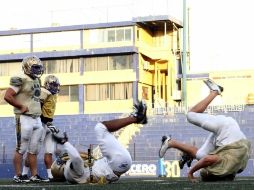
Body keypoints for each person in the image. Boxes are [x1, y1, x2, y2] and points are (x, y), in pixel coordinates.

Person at [159, 79, 251, 182]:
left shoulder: (238, 168)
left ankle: (171, 143)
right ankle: (215, 92)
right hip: (227, 128)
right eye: (205, 173)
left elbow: (206, 159)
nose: (203, 171)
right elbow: (208, 160)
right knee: (190, 115)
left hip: (228, 139)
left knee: (200, 155)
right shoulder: (223, 168)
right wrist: (191, 173)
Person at [50, 100, 147, 184]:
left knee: (103, 130)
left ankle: (135, 118)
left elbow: (88, 162)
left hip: (117, 165)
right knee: (100, 128)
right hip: (117, 162)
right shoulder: (70, 172)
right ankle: (136, 118)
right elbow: (76, 158)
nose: (63, 159)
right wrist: (65, 143)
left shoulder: (74, 177)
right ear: (60, 169)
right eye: (60, 161)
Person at [4, 55, 45, 182]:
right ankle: (18, 175)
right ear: (27, 67)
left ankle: (34, 175)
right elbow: (8, 96)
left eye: (39, 67)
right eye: (35, 67)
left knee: (34, 150)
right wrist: (20, 106)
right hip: (24, 118)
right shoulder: (20, 78)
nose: (38, 70)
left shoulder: (38, 80)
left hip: (37, 118)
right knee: (21, 148)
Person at [22, 75, 61, 182]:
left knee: (49, 151)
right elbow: (37, 108)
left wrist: (50, 124)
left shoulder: (53, 95)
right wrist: (45, 122)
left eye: (56, 85)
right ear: (47, 84)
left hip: (48, 124)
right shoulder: (44, 91)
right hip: (41, 124)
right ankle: (24, 173)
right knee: (33, 151)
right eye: (53, 84)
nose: (55, 87)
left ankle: (50, 175)